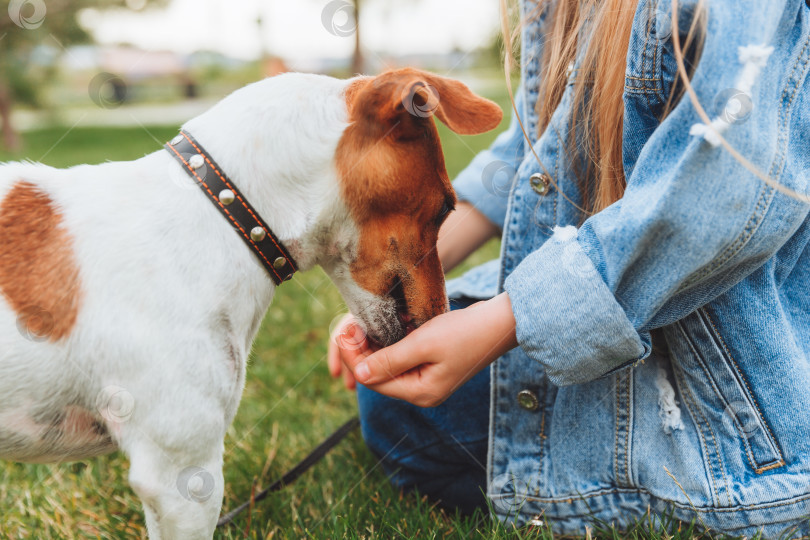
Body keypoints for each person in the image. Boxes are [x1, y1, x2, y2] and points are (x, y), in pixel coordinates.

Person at [328, 0, 810, 536]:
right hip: (616, 317)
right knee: (395, 409)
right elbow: (533, 151)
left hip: (729, 407)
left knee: (415, 422)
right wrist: (395, 289)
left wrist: (501, 323)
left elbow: (716, 196)